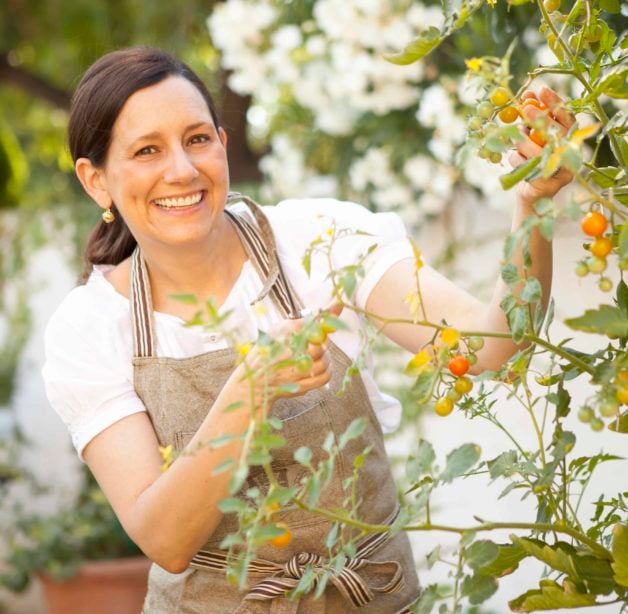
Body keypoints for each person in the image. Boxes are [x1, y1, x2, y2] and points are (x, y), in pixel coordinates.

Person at [42, 47, 574, 613]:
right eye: (147, 150)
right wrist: (250, 393)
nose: (181, 169)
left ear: (223, 145)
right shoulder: (91, 328)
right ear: (96, 181)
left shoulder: (321, 241)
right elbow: (165, 540)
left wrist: (532, 203)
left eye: (197, 139)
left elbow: (491, 348)